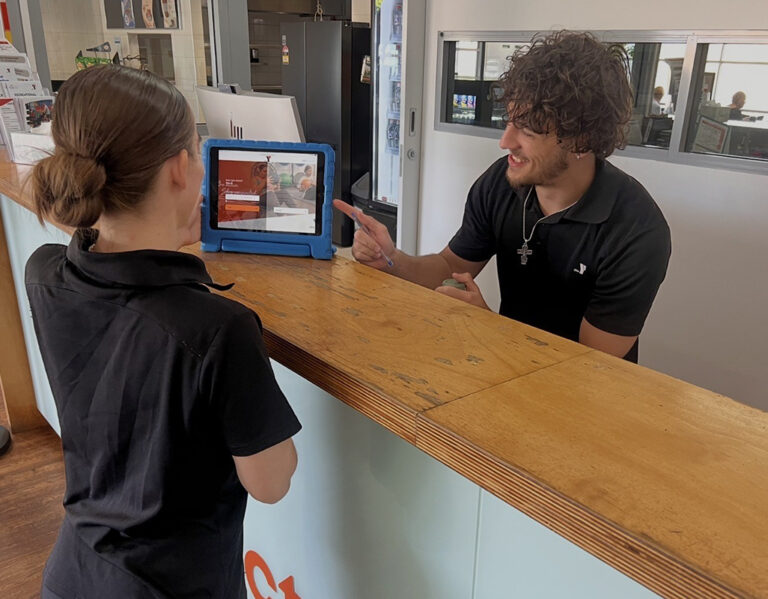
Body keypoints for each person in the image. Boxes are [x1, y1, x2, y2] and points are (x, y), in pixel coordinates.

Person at [25, 65, 301, 598]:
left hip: (72, 575)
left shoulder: (44, 272)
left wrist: (165, 229)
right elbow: (271, 484)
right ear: (180, 167)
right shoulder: (219, 329)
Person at [335, 31, 671, 363]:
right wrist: (393, 261)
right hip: (503, 366)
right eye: (508, 121)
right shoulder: (501, 181)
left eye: (527, 130)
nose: (506, 141)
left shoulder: (636, 230)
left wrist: (487, 325)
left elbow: (591, 365)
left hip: (584, 398)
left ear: (581, 139)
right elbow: (450, 265)